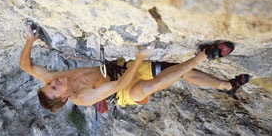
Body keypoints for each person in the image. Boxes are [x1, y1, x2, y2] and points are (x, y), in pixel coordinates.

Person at [19, 26, 249, 112]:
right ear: (63, 99)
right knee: (146, 87)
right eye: (54, 88)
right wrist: (140, 57)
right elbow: (119, 85)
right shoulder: (84, 97)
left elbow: (25, 65)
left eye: (49, 84)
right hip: (121, 90)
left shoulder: (54, 79)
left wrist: (31, 39)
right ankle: (203, 55)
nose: (54, 82)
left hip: (119, 69)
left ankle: (225, 86)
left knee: (177, 71)